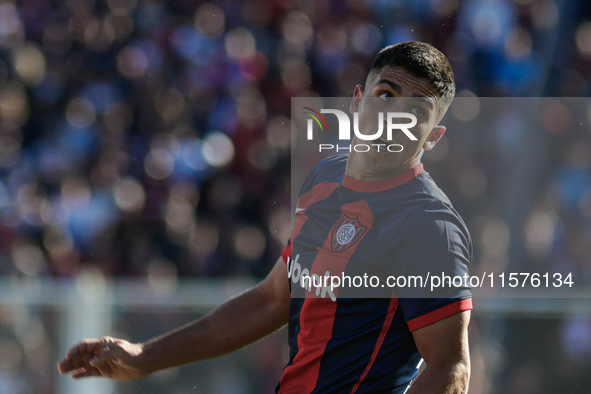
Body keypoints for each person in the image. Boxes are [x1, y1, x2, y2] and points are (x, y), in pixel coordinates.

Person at [57, 41, 472, 394]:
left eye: (416, 114)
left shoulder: (428, 224)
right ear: (357, 100)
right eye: (386, 95)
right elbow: (272, 299)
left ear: (432, 137)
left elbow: (450, 369)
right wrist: (144, 356)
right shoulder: (326, 177)